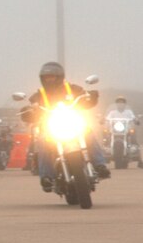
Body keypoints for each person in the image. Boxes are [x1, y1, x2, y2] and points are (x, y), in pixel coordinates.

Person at [24, 61, 110, 191]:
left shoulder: (73, 89)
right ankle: (46, 177)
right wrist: (27, 111)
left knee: (87, 132)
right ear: (42, 79)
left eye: (52, 77)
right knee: (41, 142)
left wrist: (91, 96)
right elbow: (29, 109)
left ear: (60, 77)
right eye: (47, 77)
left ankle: (100, 165)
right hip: (50, 128)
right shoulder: (38, 95)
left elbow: (86, 98)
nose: (49, 80)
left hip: (72, 122)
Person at [104, 96, 143, 168]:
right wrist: (102, 119)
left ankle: (140, 160)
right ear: (116, 104)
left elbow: (133, 118)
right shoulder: (112, 113)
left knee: (134, 140)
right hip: (114, 130)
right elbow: (107, 118)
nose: (120, 104)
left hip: (126, 130)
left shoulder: (128, 112)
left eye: (122, 102)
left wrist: (136, 120)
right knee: (105, 137)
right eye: (118, 102)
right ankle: (104, 153)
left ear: (125, 104)